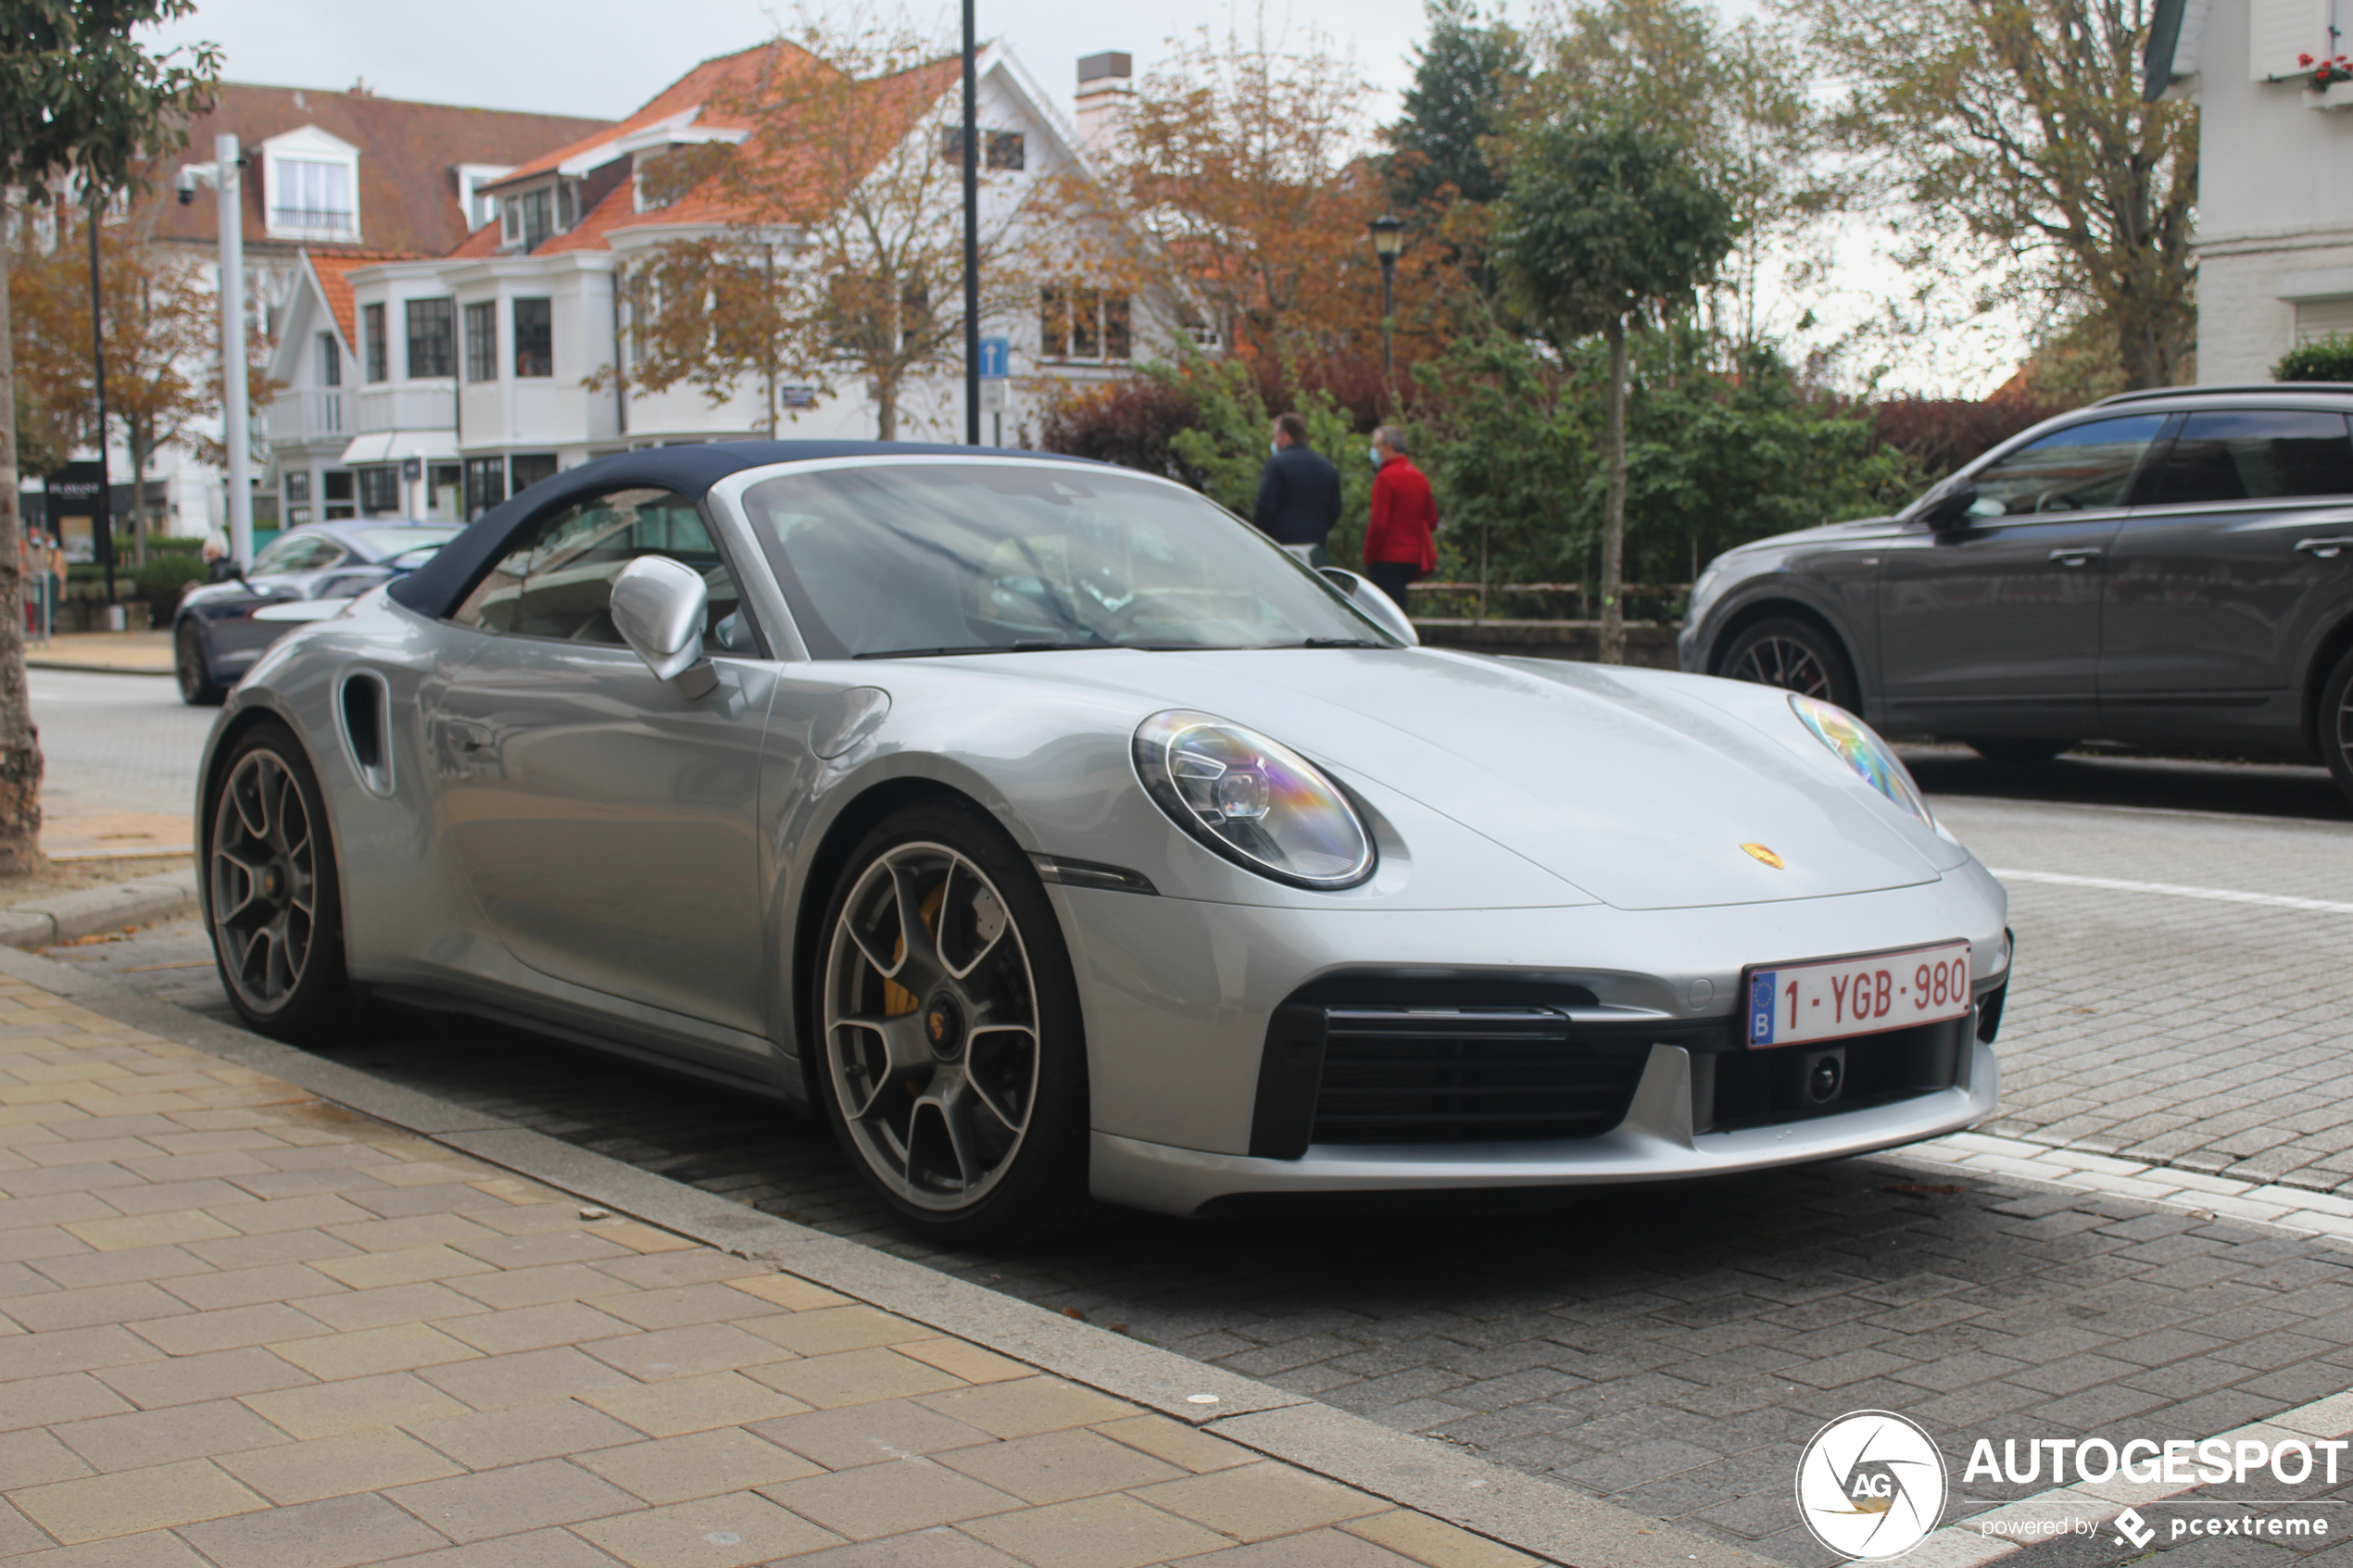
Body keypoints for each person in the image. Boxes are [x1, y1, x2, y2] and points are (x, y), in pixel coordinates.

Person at [1251, 412, 1342, 568]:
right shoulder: (1327, 467)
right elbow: (1335, 509)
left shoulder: (1276, 464)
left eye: (1275, 436)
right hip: (1315, 544)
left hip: (1282, 543)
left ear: (1285, 436)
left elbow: (1265, 506)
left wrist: (1260, 533)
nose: (1274, 442)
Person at [1363, 423, 1437, 611]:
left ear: (1387, 446)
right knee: (1399, 605)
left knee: (1385, 611)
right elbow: (1431, 520)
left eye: (1376, 445)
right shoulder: (1419, 477)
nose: (1374, 451)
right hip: (1412, 557)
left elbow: (1379, 523)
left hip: (1387, 556)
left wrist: (1369, 555)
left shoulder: (1385, 478)